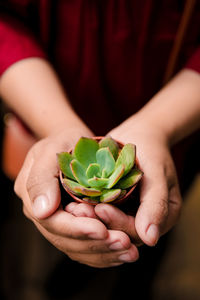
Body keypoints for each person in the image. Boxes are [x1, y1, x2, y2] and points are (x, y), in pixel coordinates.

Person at [0, 0, 200, 297]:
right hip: (44, 106)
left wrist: (157, 126)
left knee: (149, 232)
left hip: (170, 131)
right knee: (50, 240)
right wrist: (59, 125)